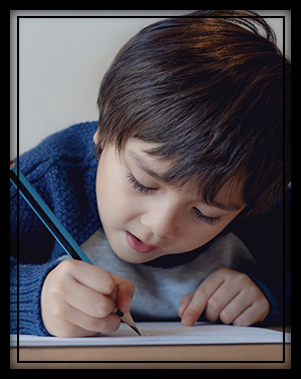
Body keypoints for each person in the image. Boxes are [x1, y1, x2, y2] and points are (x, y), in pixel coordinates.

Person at [10, 10, 291, 337]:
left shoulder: (258, 195)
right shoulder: (47, 181)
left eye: (205, 213)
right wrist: (32, 297)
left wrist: (270, 298)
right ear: (102, 133)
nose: (159, 225)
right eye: (141, 182)